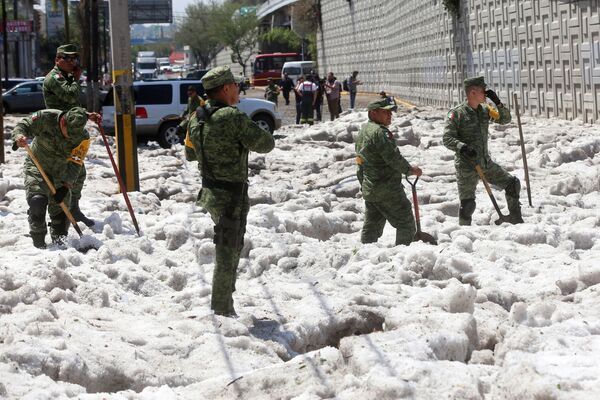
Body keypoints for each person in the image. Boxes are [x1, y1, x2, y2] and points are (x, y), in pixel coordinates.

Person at [188, 66, 275, 317]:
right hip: (230, 197)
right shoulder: (231, 116)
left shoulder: (197, 117)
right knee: (227, 252)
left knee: (231, 245)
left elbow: (190, 152)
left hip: (210, 192)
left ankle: (226, 301)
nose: (239, 89)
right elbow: (265, 144)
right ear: (225, 88)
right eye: (235, 85)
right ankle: (221, 309)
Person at [11, 108, 99, 248]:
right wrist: (19, 137)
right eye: (69, 133)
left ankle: (59, 244)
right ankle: (38, 243)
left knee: (61, 215)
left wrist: (66, 186)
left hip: (61, 172)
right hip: (37, 166)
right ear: (63, 123)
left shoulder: (83, 138)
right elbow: (23, 125)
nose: (71, 138)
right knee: (38, 202)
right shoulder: (46, 118)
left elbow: (76, 163)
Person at [443, 76, 523, 225]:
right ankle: (463, 235)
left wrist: (497, 102)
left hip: (485, 163)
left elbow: (505, 119)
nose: (485, 94)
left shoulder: (485, 110)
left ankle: (515, 219)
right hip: (467, 166)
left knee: (512, 184)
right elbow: (447, 138)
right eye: (482, 91)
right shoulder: (457, 114)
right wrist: (463, 147)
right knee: (468, 206)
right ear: (473, 92)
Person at [355, 98, 422, 245]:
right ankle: (403, 255)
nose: (389, 115)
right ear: (373, 113)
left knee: (372, 226)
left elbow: (359, 164)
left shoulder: (363, 131)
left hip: (371, 188)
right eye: (385, 112)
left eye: (390, 112)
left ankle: (363, 254)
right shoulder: (381, 133)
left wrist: (364, 185)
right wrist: (410, 170)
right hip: (387, 189)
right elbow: (393, 158)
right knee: (406, 223)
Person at [42, 44, 94, 227]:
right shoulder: (55, 78)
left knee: (78, 172)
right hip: (59, 135)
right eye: (68, 58)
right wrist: (77, 78)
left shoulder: (66, 77)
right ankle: (57, 215)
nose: (72, 62)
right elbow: (70, 96)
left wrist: (86, 115)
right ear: (57, 59)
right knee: (62, 175)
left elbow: (71, 108)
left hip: (70, 133)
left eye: (74, 59)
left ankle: (73, 208)